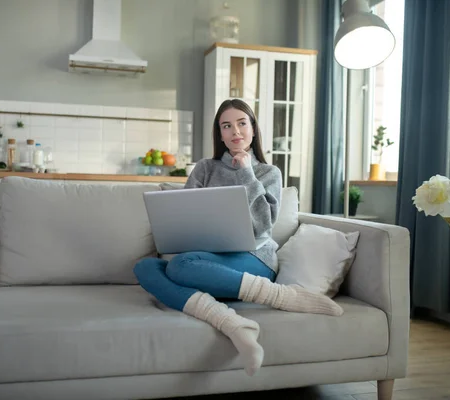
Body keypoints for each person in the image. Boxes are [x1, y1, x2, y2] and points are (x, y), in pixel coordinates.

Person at [134, 99, 343, 376]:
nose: (236, 132)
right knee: (145, 266)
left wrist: (245, 172)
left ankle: (280, 295)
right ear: (220, 134)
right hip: (207, 259)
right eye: (227, 126)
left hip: (255, 258)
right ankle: (233, 324)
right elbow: (185, 216)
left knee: (179, 267)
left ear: (253, 129)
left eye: (242, 123)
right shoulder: (205, 169)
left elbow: (263, 225)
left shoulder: (269, 173)